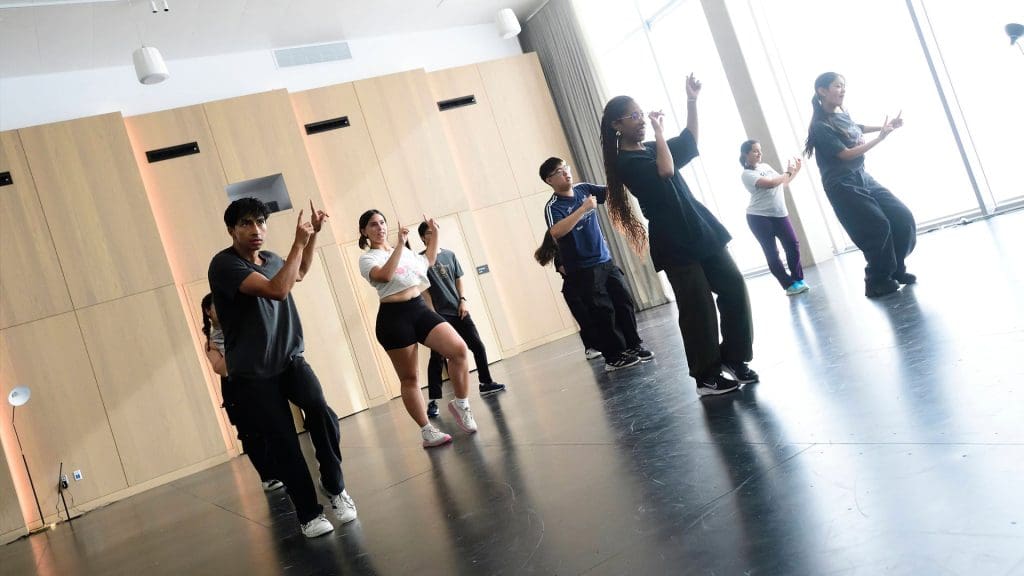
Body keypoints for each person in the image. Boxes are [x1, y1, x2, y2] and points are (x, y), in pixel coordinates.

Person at [208, 198, 356, 539]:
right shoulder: (224, 265)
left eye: (261, 222)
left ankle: (334, 486)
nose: (256, 229)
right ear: (231, 230)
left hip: (290, 359)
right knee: (284, 442)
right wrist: (298, 243)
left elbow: (299, 272)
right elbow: (277, 290)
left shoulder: (274, 259)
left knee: (321, 412)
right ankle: (308, 513)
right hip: (253, 373)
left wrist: (313, 236)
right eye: (246, 223)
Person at [600, 74, 755, 397]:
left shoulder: (650, 148)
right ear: (617, 124)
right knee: (697, 306)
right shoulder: (625, 162)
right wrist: (658, 133)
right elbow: (666, 170)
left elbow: (688, 142)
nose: (641, 120)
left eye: (642, 114)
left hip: (700, 227)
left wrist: (691, 100)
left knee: (734, 287)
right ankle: (706, 375)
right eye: (634, 116)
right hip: (673, 238)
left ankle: (735, 358)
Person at [357, 209, 478, 447]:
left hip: (419, 309)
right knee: (410, 378)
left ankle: (461, 403)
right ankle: (427, 431)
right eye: (373, 225)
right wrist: (400, 246)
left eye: (382, 223)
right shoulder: (368, 258)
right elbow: (384, 276)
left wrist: (434, 237)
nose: (380, 227)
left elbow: (428, 262)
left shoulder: (403, 252)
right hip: (393, 319)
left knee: (459, 350)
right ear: (364, 232)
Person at [804, 72, 916, 298]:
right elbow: (844, 154)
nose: (842, 90)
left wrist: (885, 127)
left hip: (861, 176)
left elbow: (856, 126)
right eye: (837, 86)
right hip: (842, 185)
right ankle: (876, 280)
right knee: (877, 227)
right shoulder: (819, 126)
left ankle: (895, 269)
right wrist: (880, 139)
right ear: (822, 91)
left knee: (901, 217)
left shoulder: (840, 114)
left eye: (844, 86)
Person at [540, 157, 654, 372]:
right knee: (603, 312)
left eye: (566, 168)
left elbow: (611, 191)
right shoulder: (553, 206)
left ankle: (633, 345)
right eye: (559, 171)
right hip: (583, 269)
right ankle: (613, 356)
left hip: (605, 260)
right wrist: (583, 209)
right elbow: (556, 232)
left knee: (624, 302)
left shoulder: (584, 189)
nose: (566, 173)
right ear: (549, 180)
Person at [417, 222, 506, 419]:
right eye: (430, 233)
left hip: (459, 310)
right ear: (423, 238)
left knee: (477, 345)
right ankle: (434, 401)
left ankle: (486, 382)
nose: (435, 235)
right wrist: (432, 315)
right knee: (437, 358)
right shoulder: (420, 259)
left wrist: (463, 300)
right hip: (439, 315)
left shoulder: (450, 255)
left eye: (436, 231)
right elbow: (423, 290)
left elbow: (459, 279)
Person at [200, 294, 283, 492]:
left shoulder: (241, 328)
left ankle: (282, 469)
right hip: (234, 389)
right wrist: (236, 344)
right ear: (208, 312)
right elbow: (220, 368)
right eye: (217, 306)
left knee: (270, 426)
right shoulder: (211, 343)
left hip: (257, 381)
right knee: (249, 434)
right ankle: (268, 476)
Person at [739, 140, 808, 296]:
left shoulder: (766, 167)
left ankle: (798, 279)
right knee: (772, 252)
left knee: (792, 244)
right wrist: (787, 172)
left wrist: (795, 171)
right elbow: (770, 183)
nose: (759, 154)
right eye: (755, 151)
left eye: (760, 150)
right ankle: (788, 285)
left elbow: (782, 183)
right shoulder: (747, 174)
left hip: (779, 214)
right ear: (746, 154)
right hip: (759, 217)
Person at [534, 231, 602, 360]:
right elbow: (568, 271)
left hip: (583, 289)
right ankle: (589, 348)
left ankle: (599, 344)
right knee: (585, 320)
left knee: (594, 316)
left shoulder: (571, 251)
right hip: (573, 292)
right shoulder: (560, 256)